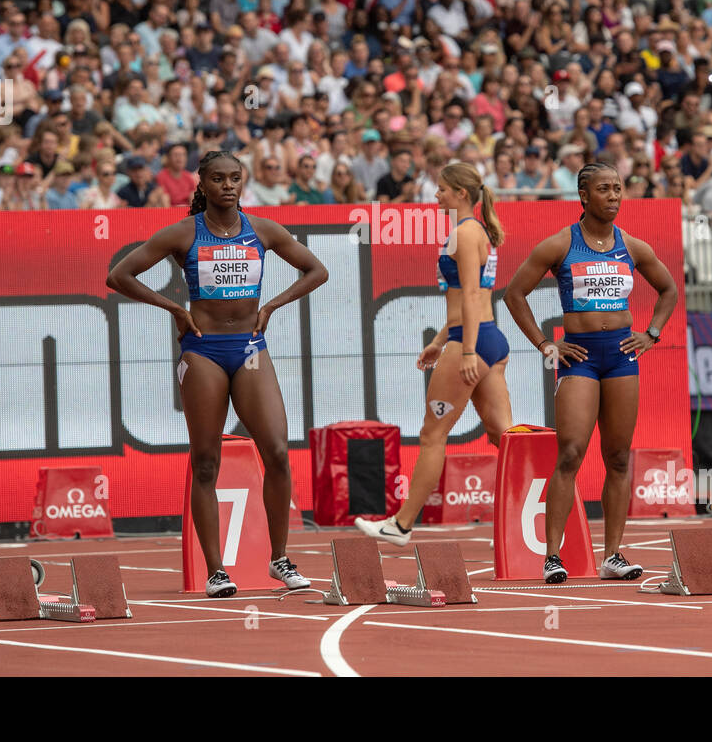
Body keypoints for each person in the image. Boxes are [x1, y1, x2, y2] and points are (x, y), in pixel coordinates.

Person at [104, 150, 327, 597]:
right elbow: (119, 275)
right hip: (203, 350)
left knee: (278, 451)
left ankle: (280, 558)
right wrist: (174, 308)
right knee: (206, 461)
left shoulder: (261, 229)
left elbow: (316, 270)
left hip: (249, 347)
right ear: (202, 184)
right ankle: (216, 569)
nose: (228, 185)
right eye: (219, 179)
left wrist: (271, 306)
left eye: (235, 178)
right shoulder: (185, 232)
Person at [504, 162, 679, 583]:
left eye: (618, 188)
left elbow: (669, 289)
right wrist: (546, 345)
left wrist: (651, 334)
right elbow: (514, 294)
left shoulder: (632, 246)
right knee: (570, 453)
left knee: (618, 456)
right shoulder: (559, 245)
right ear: (584, 196)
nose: (614, 196)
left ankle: (613, 555)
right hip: (579, 356)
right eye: (605, 189)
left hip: (621, 355)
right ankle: (552, 555)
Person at [356, 164, 512, 545]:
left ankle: (402, 525)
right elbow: (465, 299)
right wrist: (440, 340)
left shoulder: (464, 233)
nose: (435, 196)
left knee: (432, 434)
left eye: (442, 190)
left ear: (461, 193)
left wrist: (466, 350)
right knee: (506, 438)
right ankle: (524, 524)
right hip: (485, 337)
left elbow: (473, 297)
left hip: (473, 342)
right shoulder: (475, 232)